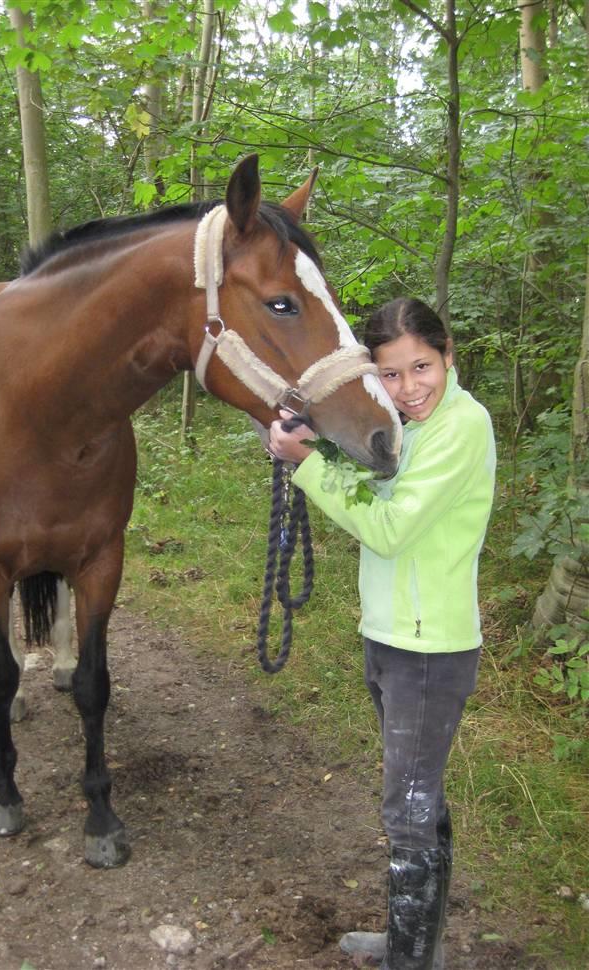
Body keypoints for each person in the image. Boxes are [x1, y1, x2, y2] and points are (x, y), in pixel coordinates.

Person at [268, 297, 496, 970]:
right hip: (394, 639)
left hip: (430, 652)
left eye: (421, 367)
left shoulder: (463, 426)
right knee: (420, 797)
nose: (409, 388)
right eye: (392, 375)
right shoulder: (410, 426)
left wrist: (305, 467)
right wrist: (309, 448)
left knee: (408, 809)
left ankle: (411, 957)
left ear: (447, 353)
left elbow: (389, 527)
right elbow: (375, 487)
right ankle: (414, 941)